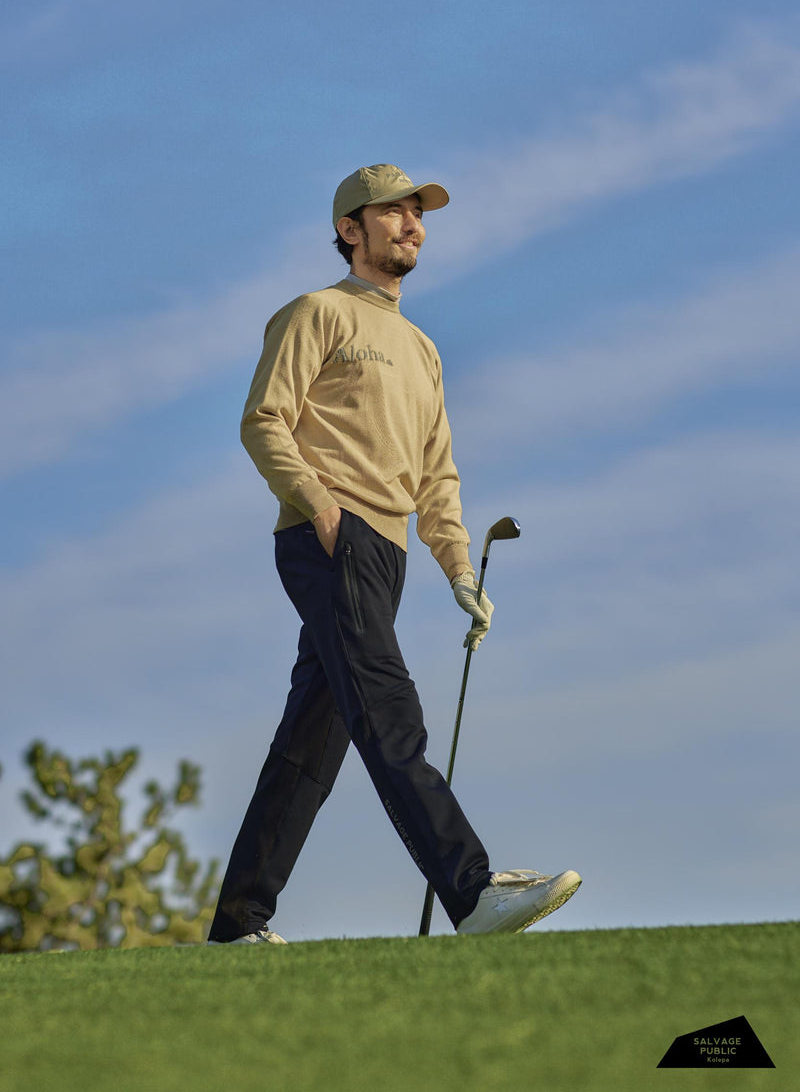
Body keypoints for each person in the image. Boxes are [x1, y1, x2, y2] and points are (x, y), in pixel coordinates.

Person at [207, 164, 581, 944]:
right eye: (393, 214)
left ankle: (239, 923)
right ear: (350, 230)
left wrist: (461, 572)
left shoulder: (423, 349)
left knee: (310, 742)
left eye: (418, 214)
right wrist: (321, 507)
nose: (412, 225)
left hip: (389, 553)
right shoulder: (315, 312)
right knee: (389, 711)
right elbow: (264, 420)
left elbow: (436, 475)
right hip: (328, 540)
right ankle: (473, 892)